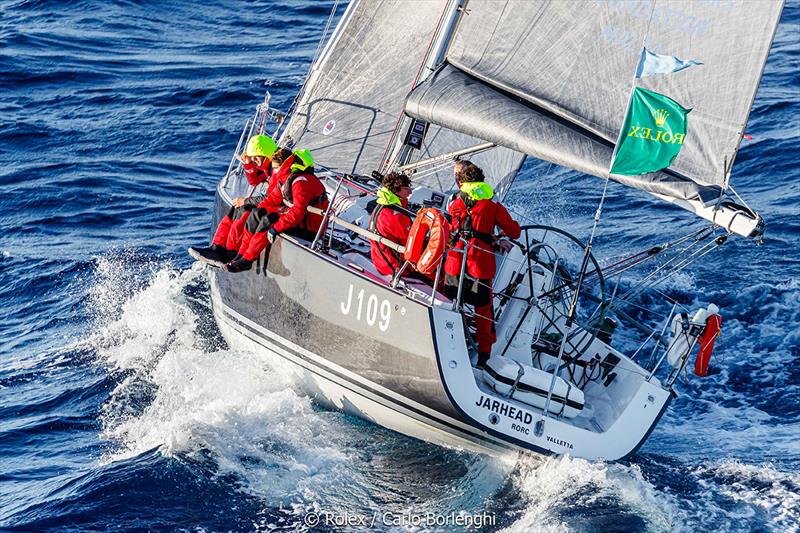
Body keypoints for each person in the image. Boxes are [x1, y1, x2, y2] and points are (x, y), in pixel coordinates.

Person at [443, 163, 520, 368]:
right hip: (478, 265)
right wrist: (496, 238)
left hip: (454, 262)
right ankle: (484, 355)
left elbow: (457, 229)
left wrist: (488, 237)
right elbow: (514, 232)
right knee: (483, 311)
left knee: (452, 301)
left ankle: (450, 339)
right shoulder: (490, 205)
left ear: (463, 182)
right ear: (481, 181)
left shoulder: (455, 202)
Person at [225, 148, 328, 273]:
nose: (274, 171)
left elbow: (298, 212)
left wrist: (276, 228)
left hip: (311, 230)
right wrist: (256, 212)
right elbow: (273, 199)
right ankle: (241, 255)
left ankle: (248, 259)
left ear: (285, 166)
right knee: (257, 214)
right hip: (298, 221)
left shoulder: (301, 182)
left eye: (276, 168)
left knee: (269, 220)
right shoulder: (286, 180)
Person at [188, 134, 277, 265]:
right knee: (236, 208)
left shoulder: (276, 170)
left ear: (265, 154)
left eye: (255, 156)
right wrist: (248, 165)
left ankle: (231, 252)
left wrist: (246, 201)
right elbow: (254, 181)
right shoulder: (268, 166)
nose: (253, 159)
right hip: (273, 203)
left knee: (246, 209)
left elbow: (272, 197)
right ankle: (217, 248)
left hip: (278, 207)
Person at [368, 172, 413, 277]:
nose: (410, 192)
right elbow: (412, 237)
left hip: (380, 260)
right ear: (397, 189)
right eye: (406, 189)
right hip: (394, 266)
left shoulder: (383, 205)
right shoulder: (393, 215)